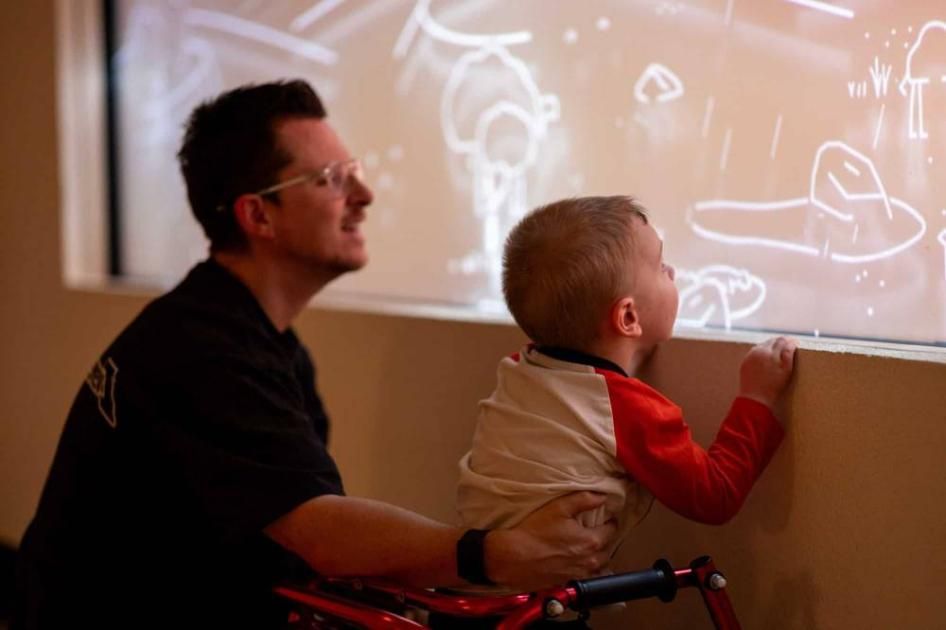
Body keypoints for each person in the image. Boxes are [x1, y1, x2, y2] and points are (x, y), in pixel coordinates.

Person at [13, 80, 617, 630]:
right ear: (258, 215)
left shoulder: (254, 340)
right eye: (331, 179)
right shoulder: (203, 352)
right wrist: (496, 554)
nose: (364, 195)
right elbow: (322, 534)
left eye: (354, 172)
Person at [457, 196, 796, 555]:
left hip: (478, 569)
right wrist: (758, 396)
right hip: (548, 585)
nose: (673, 272)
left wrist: (635, 348)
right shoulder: (625, 409)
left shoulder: (519, 371)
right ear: (628, 318)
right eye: (661, 266)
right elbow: (716, 495)